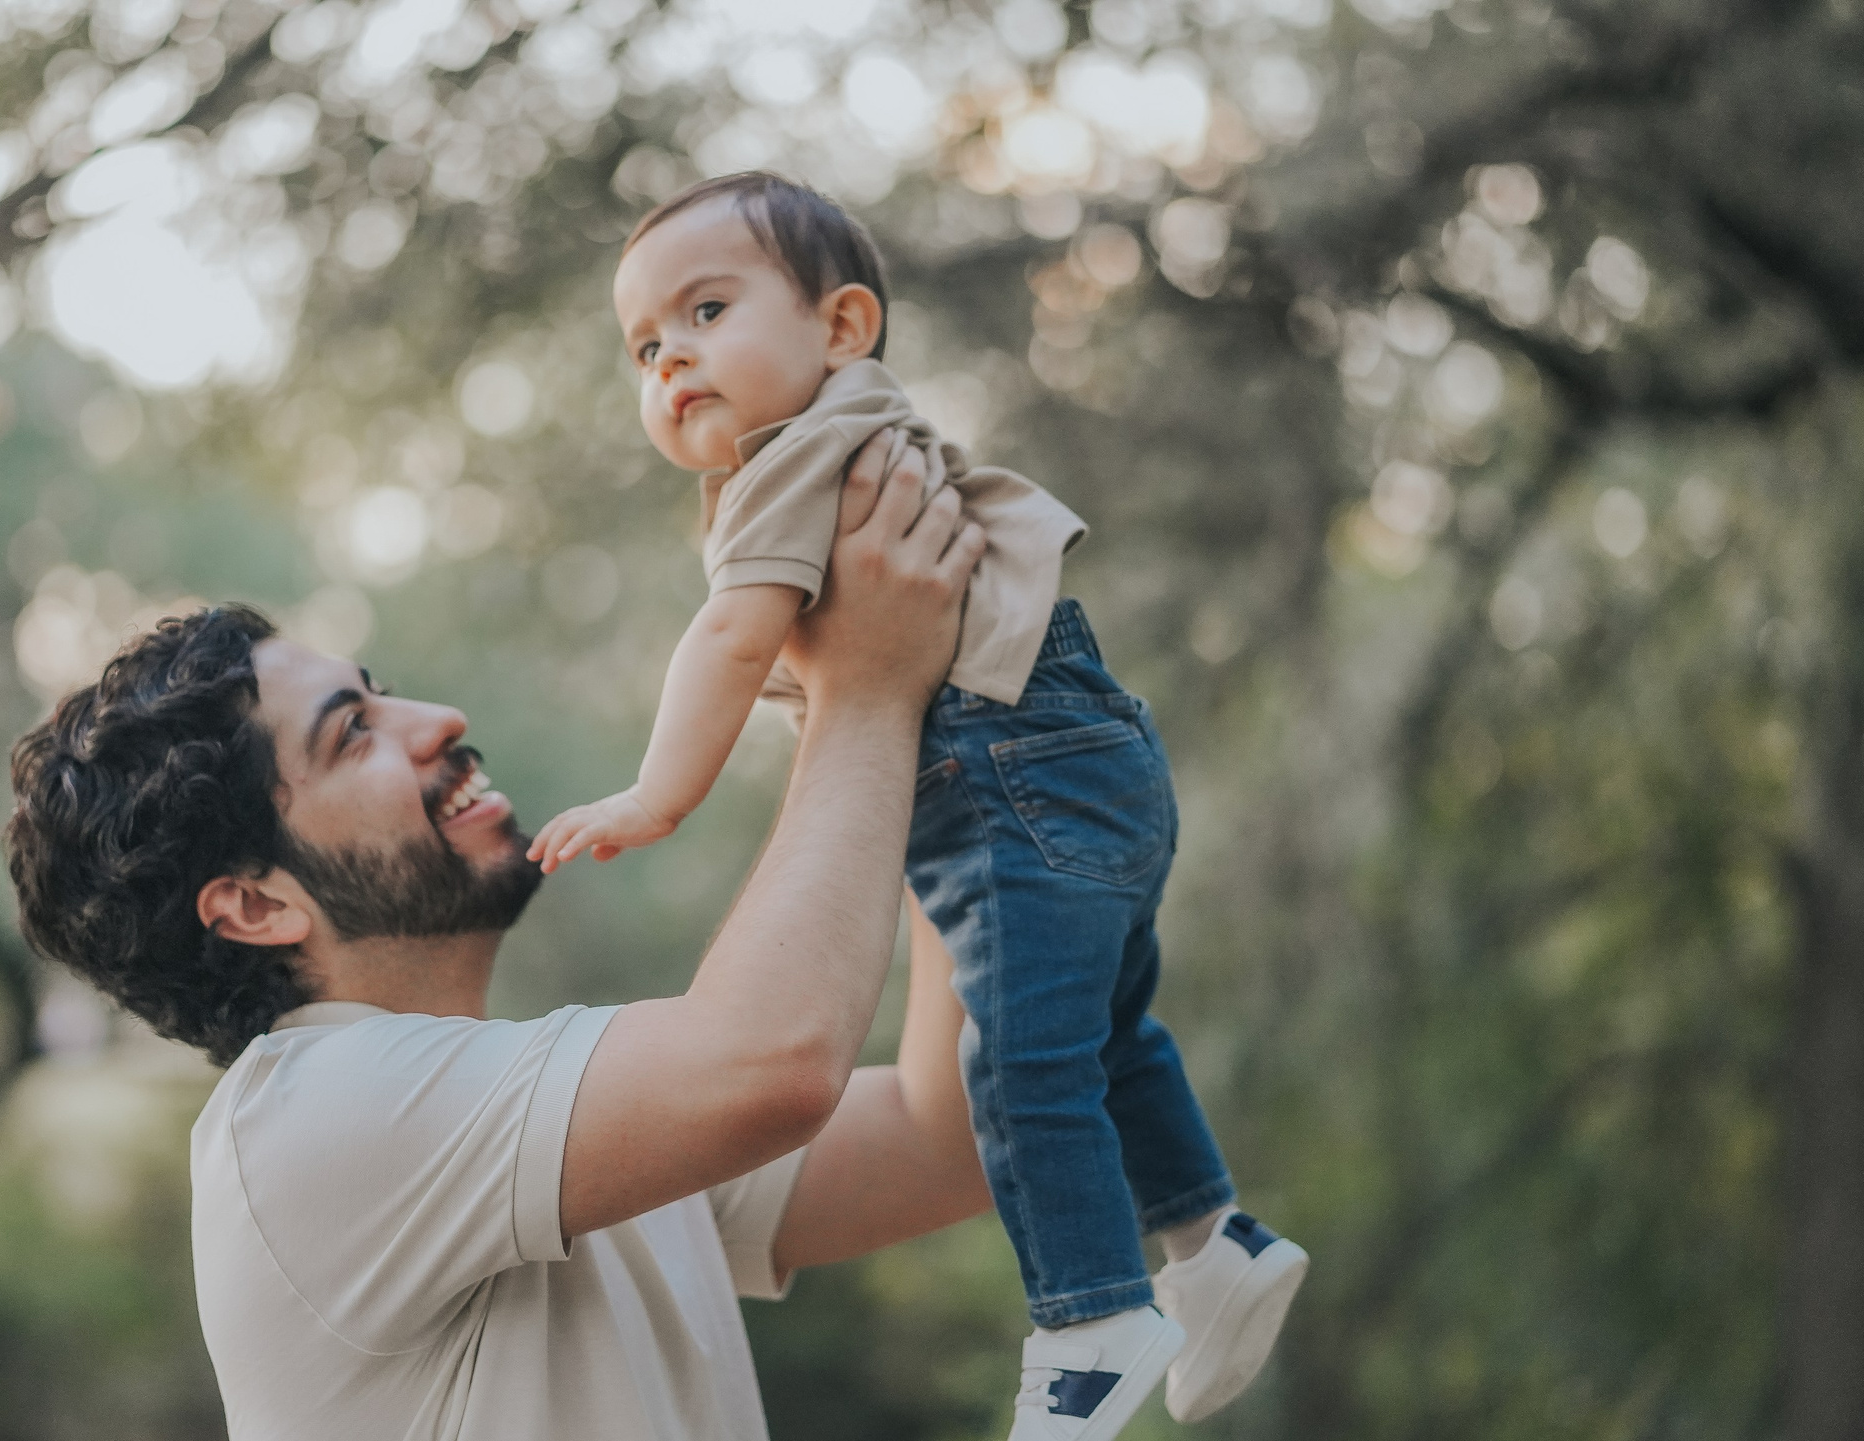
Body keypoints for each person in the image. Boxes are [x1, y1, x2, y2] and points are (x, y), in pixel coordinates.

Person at [526, 171, 1306, 1440]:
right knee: (1103, 1029)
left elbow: (730, 636)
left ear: (842, 325)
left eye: (707, 311)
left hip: (1003, 772)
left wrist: (656, 794)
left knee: (1017, 1059)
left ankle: (1091, 1317)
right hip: (1088, 753)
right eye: (644, 346)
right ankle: (1213, 1242)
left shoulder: (789, 457)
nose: (671, 358)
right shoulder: (858, 427)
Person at [4, 448, 1001, 1439]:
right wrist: (867, 688)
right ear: (256, 905)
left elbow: (947, 1138)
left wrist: (923, 713)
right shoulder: (297, 1125)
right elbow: (773, 1059)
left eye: (379, 690)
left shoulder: (549, 1117)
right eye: (353, 732)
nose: (438, 719)